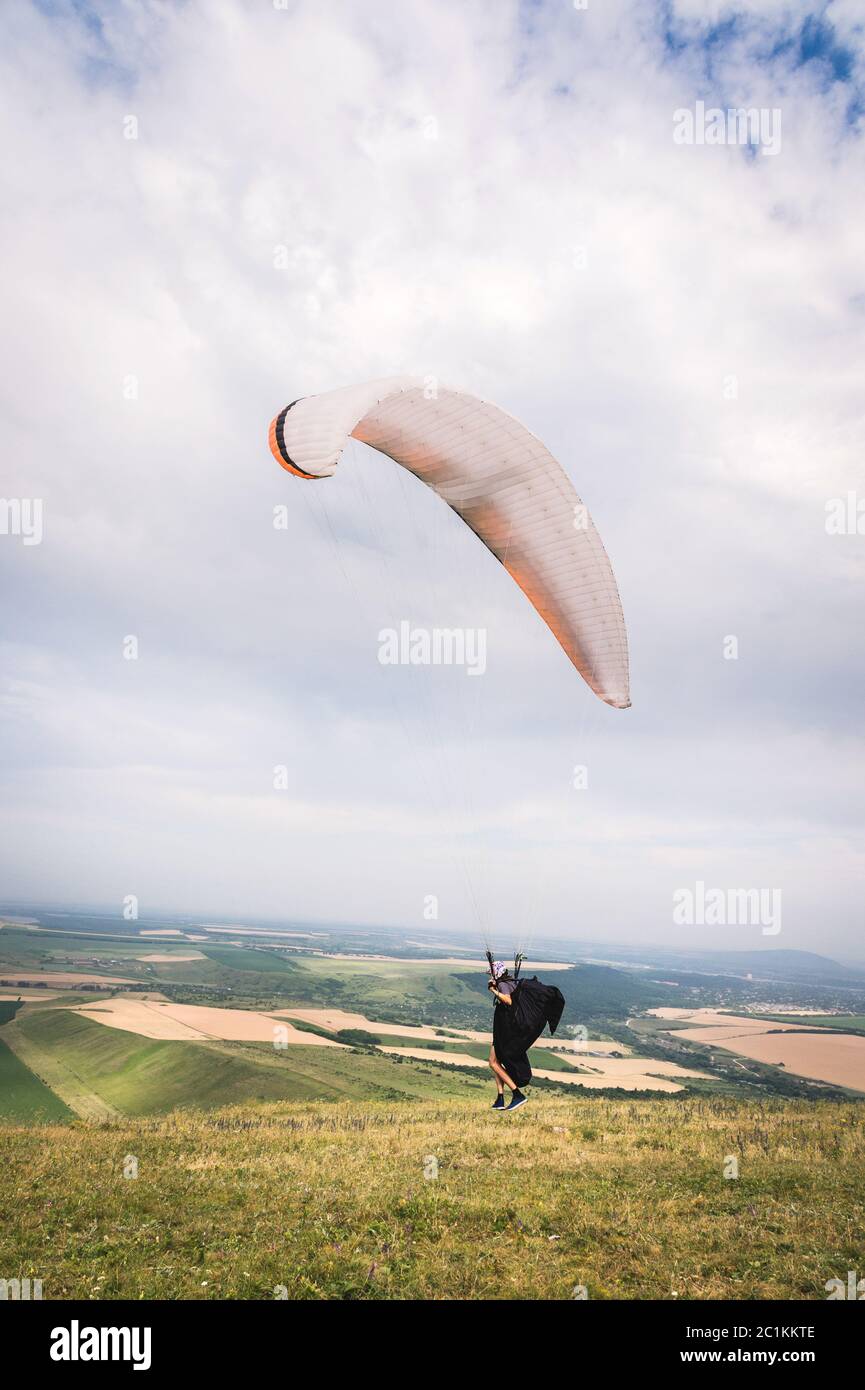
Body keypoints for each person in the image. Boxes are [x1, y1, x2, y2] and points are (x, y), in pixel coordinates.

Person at [487, 959, 566, 1113]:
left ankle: (517, 1095)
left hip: (505, 1033)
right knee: (494, 1061)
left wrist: (493, 990)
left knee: (493, 1063)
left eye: (491, 974)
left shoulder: (502, 985)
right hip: (504, 1032)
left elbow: (508, 1001)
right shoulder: (512, 982)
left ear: (496, 974)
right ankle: (500, 1098)